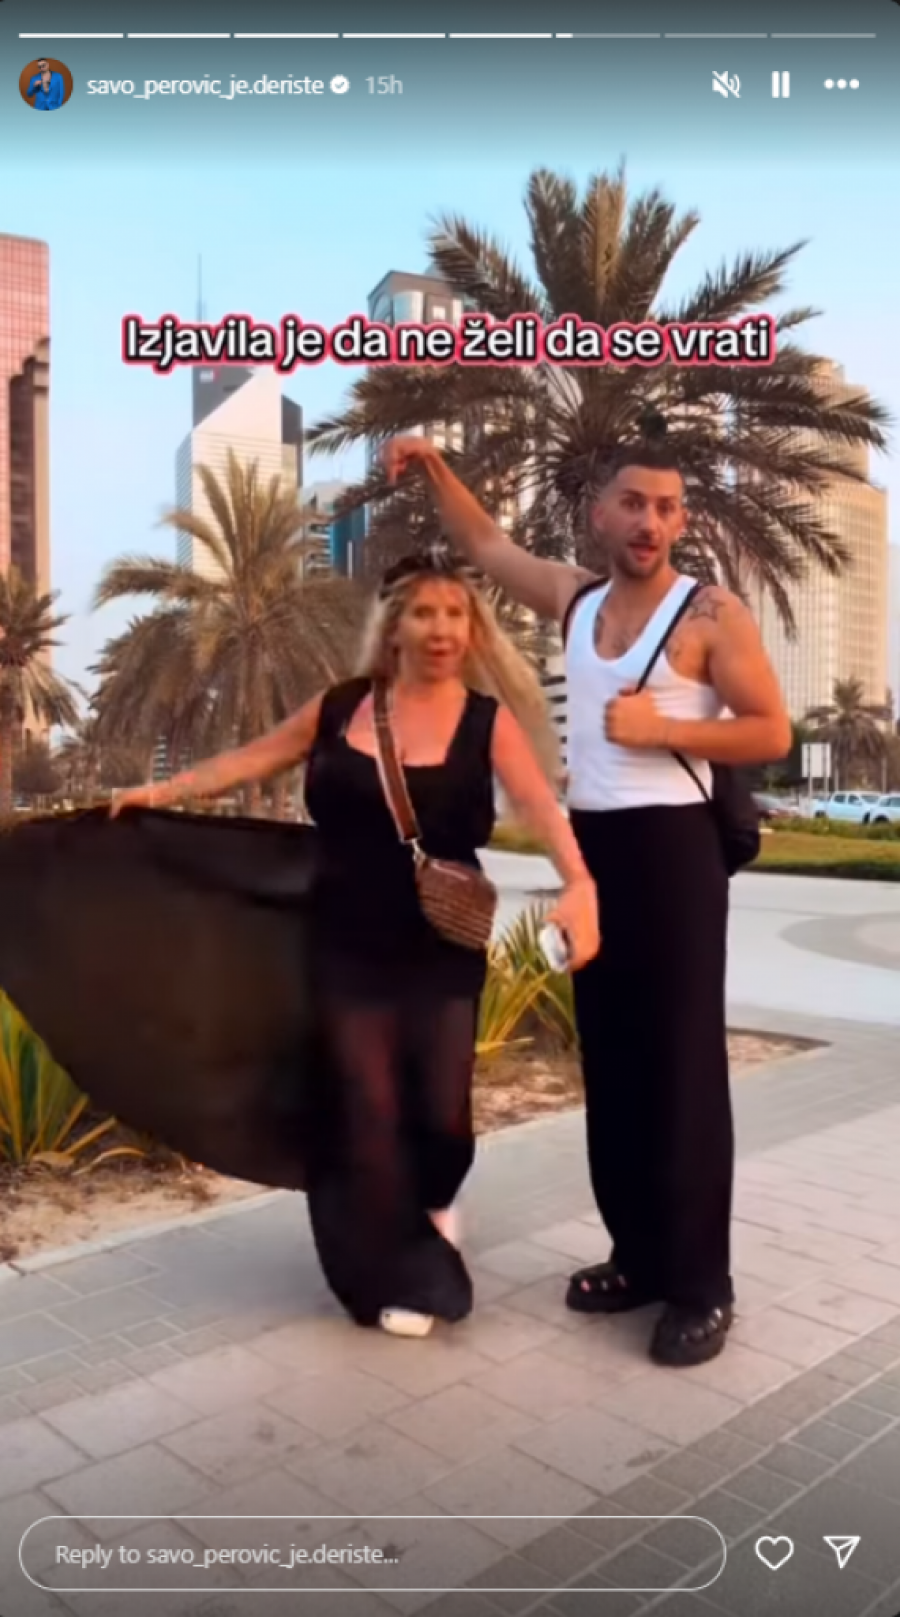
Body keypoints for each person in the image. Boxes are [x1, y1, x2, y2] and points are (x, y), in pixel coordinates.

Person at [379, 434, 791, 1366]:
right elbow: (488, 546)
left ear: (681, 521)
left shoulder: (709, 612)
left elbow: (770, 728)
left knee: (683, 1067)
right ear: (600, 513)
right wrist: (438, 467)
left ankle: (702, 1285)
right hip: (596, 857)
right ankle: (639, 1255)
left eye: (667, 508)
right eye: (633, 503)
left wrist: (661, 725)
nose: (650, 522)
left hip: (676, 852)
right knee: (611, 1058)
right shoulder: (576, 599)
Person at [113, 555, 599, 1336]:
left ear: (472, 630)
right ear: (394, 626)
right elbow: (252, 757)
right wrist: (160, 793)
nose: (441, 629)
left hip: (439, 945)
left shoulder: (487, 722)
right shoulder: (342, 707)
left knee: (441, 1114)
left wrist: (580, 883)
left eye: (456, 614)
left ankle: (434, 1199)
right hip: (343, 940)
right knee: (368, 1110)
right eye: (425, 613)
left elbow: (543, 810)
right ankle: (397, 1267)